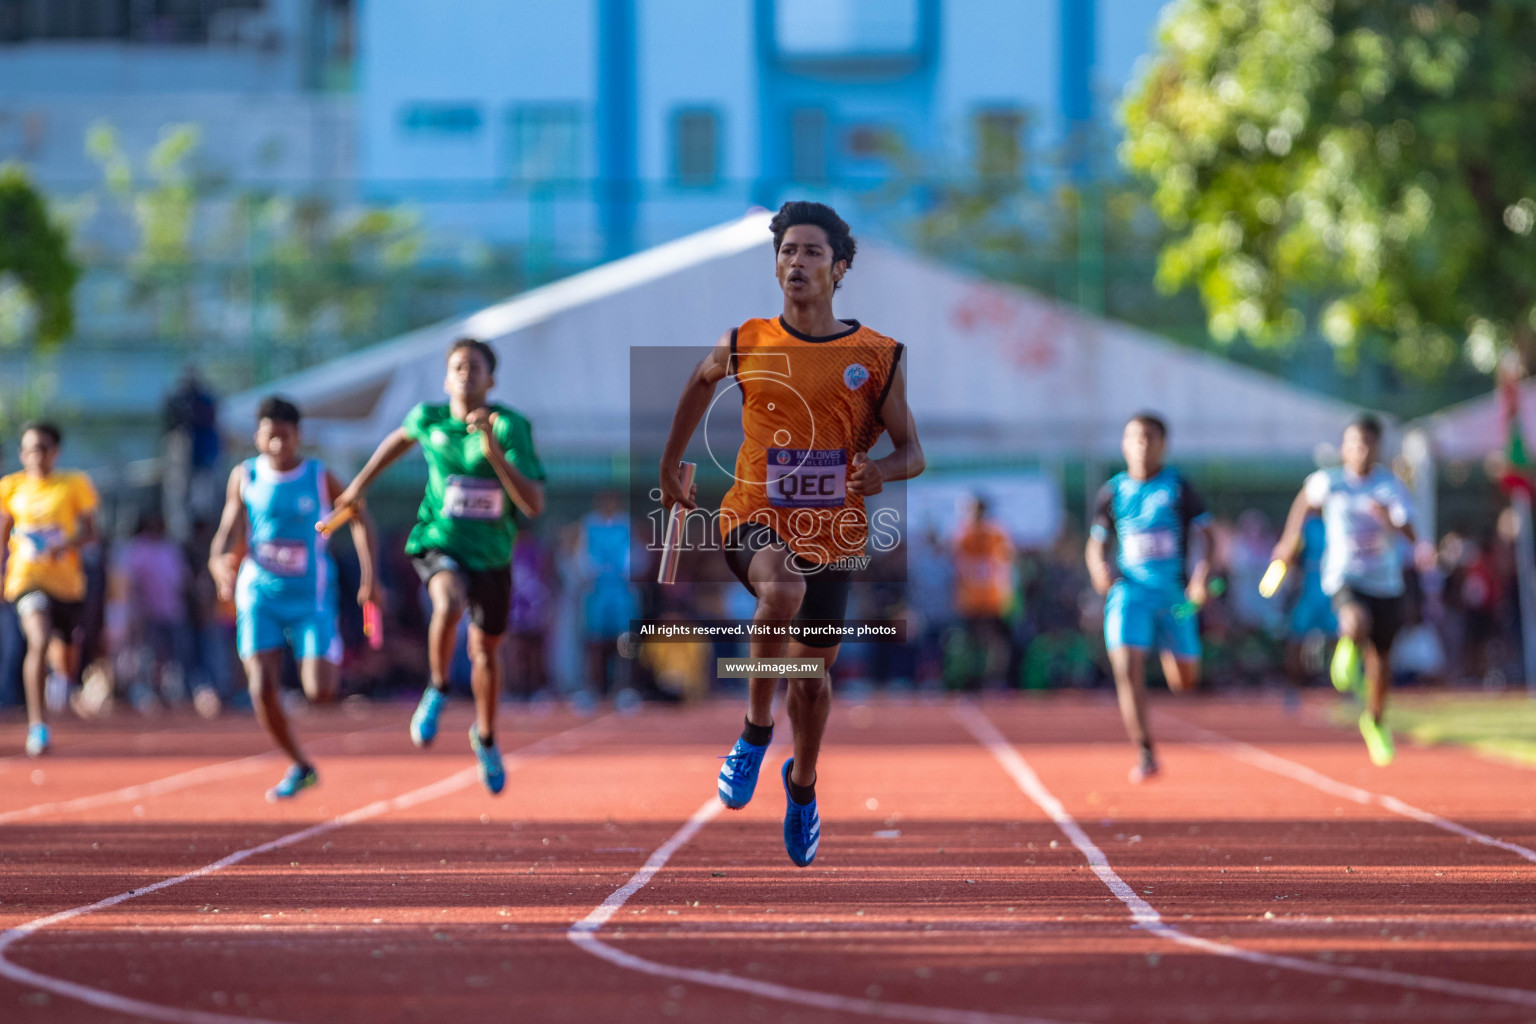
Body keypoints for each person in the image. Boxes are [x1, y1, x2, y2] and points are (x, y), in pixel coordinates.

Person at [658, 201, 926, 867]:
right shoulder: (747, 340)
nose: (795, 262)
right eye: (786, 251)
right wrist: (670, 466)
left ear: (839, 268)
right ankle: (753, 733)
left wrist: (879, 473)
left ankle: (801, 786)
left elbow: (913, 452)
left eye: (810, 252)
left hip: (833, 531)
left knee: (810, 677)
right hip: (751, 513)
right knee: (781, 587)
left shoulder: (876, 357)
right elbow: (697, 381)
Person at [334, 338, 546, 794]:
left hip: (492, 555)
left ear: (491, 379)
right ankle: (437, 688)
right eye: (457, 366)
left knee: (486, 652)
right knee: (447, 604)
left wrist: (493, 455)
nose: (465, 372)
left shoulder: (510, 426)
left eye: (475, 366)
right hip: (439, 540)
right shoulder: (428, 418)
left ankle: (486, 738)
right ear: (446, 378)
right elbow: (397, 442)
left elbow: (533, 505)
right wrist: (357, 488)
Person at [209, 397, 380, 799]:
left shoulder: (320, 477)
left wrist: (370, 577)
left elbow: (360, 517)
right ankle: (300, 765)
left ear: (298, 436)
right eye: (270, 435)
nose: (277, 444)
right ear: (258, 436)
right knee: (260, 687)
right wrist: (219, 562)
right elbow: (228, 527)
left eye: (285, 436)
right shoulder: (245, 475)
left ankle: (319, 677)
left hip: (311, 598)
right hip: (259, 594)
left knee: (320, 691)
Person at [1273, 415, 1414, 766]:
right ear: (1344, 448)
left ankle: (1375, 720)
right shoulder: (1330, 481)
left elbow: (1411, 534)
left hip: (1386, 581)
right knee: (1354, 620)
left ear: (1377, 448)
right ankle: (1348, 645)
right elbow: (1304, 502)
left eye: (1367, 444)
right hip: (1344, 575)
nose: (1360, 451)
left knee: (1381, 663)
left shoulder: (1389, 486)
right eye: (1353, 444)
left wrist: (1389, 520)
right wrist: (1290, 540)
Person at [1085, 413, 1212, 783]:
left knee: (1184, 683)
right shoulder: (1112, 492)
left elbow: (1208, 536)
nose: (1142, 444)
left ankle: (1179, 660)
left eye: (1150, 438)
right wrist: (1098, 569)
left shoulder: (1178, 487)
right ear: (1124, 445)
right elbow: (1096, 543)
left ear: (1163, 445)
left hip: (1175, 595)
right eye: (1134, 438)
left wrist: (1201, 578)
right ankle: (1144, 750)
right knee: (1126, 668)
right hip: (1130, 592)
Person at [0, 423, 99, 757]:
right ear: (21, 454)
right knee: (38, 641)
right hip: (26, 580)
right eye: (29, 449)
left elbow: (91, 533)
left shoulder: (74, 484)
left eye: (42, 448)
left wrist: (62, 545)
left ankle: (63, 676)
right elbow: (2, 537)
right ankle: (37, 726)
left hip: (68, 586)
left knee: (67, 659)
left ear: (55, 452)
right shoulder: (10, 488)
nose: (35, 455)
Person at [952, 494, 1016, 690]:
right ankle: (972, 679)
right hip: (972, 599)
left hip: (992, 598)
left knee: (995, 642)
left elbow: (1005, 562)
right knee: (972, 642)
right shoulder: (964, 534)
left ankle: (993, 679)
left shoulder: (995, 533)